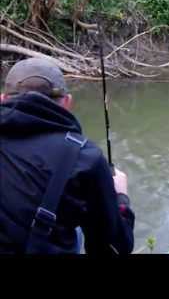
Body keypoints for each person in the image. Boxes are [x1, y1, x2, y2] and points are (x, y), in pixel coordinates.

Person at [0, 57, 135, 254]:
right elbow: (115, 247)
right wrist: (120, 198)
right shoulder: (86, 158)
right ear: (67, 102)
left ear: (3, 99)